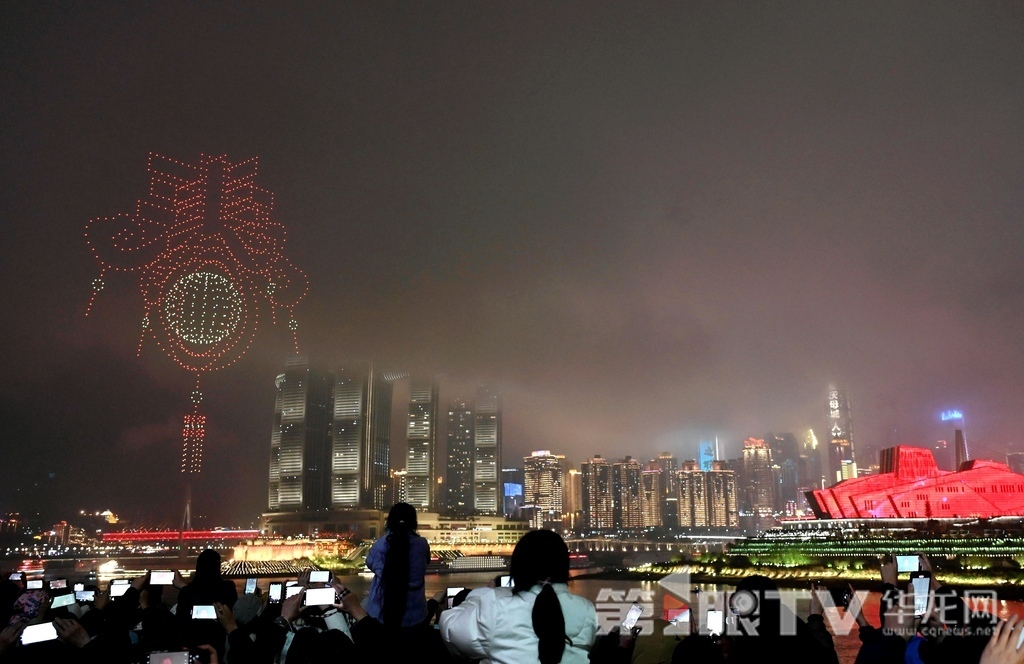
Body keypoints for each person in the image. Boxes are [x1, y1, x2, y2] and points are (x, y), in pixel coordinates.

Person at [439, 529, 599, 664]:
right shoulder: (587, 609)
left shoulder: (495, 603)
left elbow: (451, 630)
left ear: (518, 566)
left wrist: (483, 594)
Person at [363, 502, 430, 628]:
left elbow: (370, 564)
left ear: (389, 522)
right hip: (416, 617)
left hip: (380, 615)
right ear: (414, 523)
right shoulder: (422, 544)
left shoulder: (380, 545)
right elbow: (426, 562)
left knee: (363, 603)